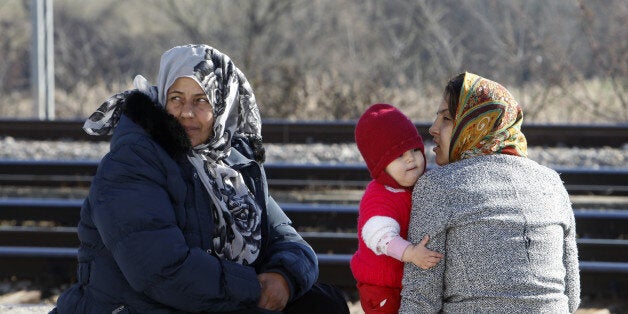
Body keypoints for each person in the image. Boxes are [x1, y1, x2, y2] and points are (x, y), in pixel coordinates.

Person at [51, 44, 349, 314]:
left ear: (222, 105)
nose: (186, 112)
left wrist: (283, 279)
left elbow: (287, 239)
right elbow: (160, 270)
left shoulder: (233, 161)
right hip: (137, 305)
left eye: (201, 100)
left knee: (326, 305)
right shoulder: (133, 160)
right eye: (176, 98)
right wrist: (253, 290)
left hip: (213, 297)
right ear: (162, 98)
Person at [400, 72, 581, 313]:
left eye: (446, 118)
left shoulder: (438, 186)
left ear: (475, 124)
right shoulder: (552, 182)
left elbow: (420, 300)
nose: (433, 129)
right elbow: (572, 295)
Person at [350, 103, 444, 314]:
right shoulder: (380, 195)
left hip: (405, 284)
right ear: (380, 165)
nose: (410, 158)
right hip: (382, 289)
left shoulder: (420, 186)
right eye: (399, 155)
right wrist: (410, 253)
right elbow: (377, 235)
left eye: (413, 150)